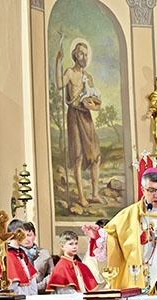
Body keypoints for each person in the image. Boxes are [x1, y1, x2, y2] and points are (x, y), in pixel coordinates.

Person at [82, 168, 157, 290]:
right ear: (143, 190)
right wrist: (98, 236)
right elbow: (111, 239)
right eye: (151, 190)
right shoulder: (128, 215)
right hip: (137, 283)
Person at [55, 41, 103, 207]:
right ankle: (82, 197)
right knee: (78, 156)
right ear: (75, 55)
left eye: (86, 53)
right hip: (74, 115)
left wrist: (94, 106)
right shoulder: (70, 72)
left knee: (96, 156)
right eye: (81, 53)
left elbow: (96, 101)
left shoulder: (88, 77)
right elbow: (59, 84)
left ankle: (95, 193)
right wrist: (57, 62)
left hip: (86, 116)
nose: (84, 56)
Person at [0, 219, 38, 295]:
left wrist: (33, 295)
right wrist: (26, 297)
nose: (26, 238)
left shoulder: (21, 254)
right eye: (24, 235)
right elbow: (12, 287)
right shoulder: (8, 257)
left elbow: (31, 278)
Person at [17, 221, 54, 294]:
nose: (26, 239)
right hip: (21, 293)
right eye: (23, 236)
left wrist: (37, 287)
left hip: (41, 293)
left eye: (29, 235)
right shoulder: (15, 254)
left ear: (34, 236)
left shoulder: (44, 254)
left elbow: (52, 274)